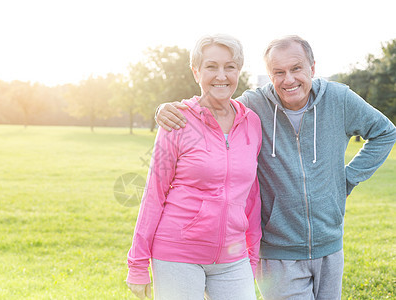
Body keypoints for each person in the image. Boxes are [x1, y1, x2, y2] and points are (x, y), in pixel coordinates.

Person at [155, 35, 396, 299]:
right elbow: (211, 105)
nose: (288, 80)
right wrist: (164, 109)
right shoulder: (253, 106)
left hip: (330, 247)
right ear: (269, 75)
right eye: (278, 72)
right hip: (276, 253)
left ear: (312, 68)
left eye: (296, 69)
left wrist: (346, 180)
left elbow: (385, 132)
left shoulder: (339, 99)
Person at [126, 34, 262, 300]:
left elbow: (252, 195)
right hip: (178, 253)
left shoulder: (252, 122)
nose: (221, 75)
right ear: (196, 71)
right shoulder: (178, 120)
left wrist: (252, 255)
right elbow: (154, 194)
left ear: (238, 71)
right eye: (211, 66)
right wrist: (138, 263)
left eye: (230, 67)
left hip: (233, 258)